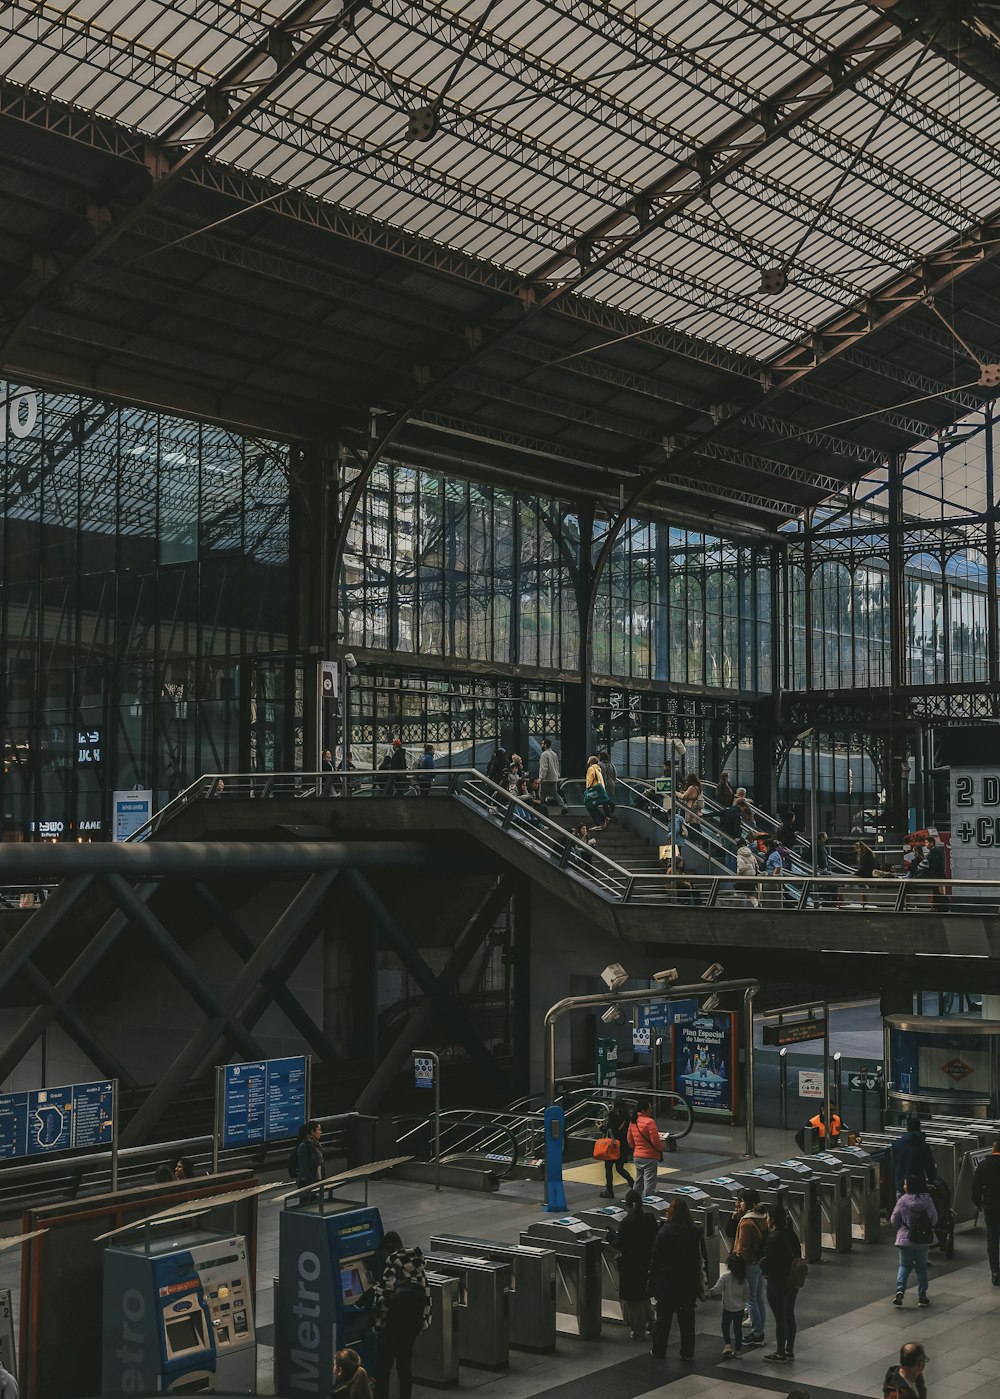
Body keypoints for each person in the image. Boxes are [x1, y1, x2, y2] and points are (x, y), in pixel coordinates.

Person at [372, 1231, 432, 1399]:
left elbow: (384, 1302)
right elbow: (426, 1296)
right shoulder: (419, 1267)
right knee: (404, 1368)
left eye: (384, 1252)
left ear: (389, 1248)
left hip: (391, 1328)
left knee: (383, 1369)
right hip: (411, 1327)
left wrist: (378, 1327)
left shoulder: (393, 1267)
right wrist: (421, 1324)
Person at [647, 1196, 702, 1361]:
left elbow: (656, 1257)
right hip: (688, 1283)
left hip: (667, 1283)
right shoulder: (694, 1231)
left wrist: (653, 1279)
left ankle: (659, 1350)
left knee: (663, 1320)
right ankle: (687, 1352)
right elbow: (697, 1259)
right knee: (687, 1321)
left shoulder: (665, 1231)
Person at [761, 1203, 802, 1362]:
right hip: (792, 1280)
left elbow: (768, 1262)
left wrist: (762, 1264)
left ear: (771, 1220)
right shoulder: (792, 1235)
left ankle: (779, 1353)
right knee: (789, 1314)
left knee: (780, 1318)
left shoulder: (773, 1237)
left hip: (777, 1282)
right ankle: (789, 1350)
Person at [615, 1188, 657, 1339]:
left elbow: (621, 1244)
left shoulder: (626, 1222)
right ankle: (652, 1322)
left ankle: (638, 1330)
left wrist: (611, 1237)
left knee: (634, 1299)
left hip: (631, 1265)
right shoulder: (650, 1217)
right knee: (644, 1294)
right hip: (647, 1262)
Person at [891, 1174, 937, 1307]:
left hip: (905, 1239)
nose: (904, 1186)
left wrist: (902, 1226)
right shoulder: (928, 1200)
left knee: (904, 1266)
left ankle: (900, 1291)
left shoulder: (902, 1200)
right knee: (921, 1268)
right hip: (923, 1240)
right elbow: (934, 1218)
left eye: (906, 1184)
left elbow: (894, 1220)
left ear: (910, 1186)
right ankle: (922, 1297)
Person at [732, 1188, 769, 1347]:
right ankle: (760, 1330)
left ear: (749, 1203)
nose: (740, 1203)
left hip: (749, 1264)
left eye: (742, 1201)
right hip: (760, 1263)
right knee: (759, 1298)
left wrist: (737, 1265)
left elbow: (743, 1248)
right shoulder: (763, 1217)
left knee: (751, 1299)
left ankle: (757, 1333)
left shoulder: (747, 1222)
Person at [707, 1249, 748, 1358]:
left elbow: (716, 1290)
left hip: (727, 1309)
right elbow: (746, 1295)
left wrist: (707, 1292)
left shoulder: (725, 1278)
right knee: (738, 1329)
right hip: (739, 1309)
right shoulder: (743, 1281)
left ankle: (728, 1345)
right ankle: (738, 1350)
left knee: (725, 1326)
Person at [971, 1135, 1000, 1284]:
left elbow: (975, 1187)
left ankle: (995, 1272)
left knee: (992, 1238)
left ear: (993, 1149)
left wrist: (978, 1203)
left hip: (990, 1206)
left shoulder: (983, 1165)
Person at [627, 1097, 663, 1197]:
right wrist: (661, 1148)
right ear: (643, 1110)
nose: (651, 1110)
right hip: (650, 1157)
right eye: (650, 1109)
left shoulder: (633, 1121)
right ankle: (648, 1203)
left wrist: (638, 1148)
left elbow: (630, 1140)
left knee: (638, 1182)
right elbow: (655, 1141)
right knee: (649, 1183)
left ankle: (634, 1201)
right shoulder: (649, 1122)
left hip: (637, 1156)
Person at [892, 1117, 937, 1196]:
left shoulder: (896, 1144)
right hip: (918, 1186)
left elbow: (894, 1165)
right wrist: (932, 1180)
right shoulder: (923, 1146)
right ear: (919, 1128)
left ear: (907, 1128)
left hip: (901, 1186)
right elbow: (930, 1167)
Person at [600, 1097, 634, 1198]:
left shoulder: (613, 1116)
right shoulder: (627, 1117)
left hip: (613, 1146)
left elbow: (610, 1131)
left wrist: (601, 1127)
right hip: (623, 1146)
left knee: (608, 1168)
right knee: (619, 1168)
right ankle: (632, 1182)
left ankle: (609, 1190)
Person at [538, 738, 568, 812]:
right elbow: (557, 765)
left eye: (542, 744)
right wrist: (557, 775)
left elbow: (544, 767)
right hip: (554, 777)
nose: (541, 745)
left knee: (542, 794)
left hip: (546, 778)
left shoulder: (544, 754)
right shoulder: (554, 754)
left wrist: (541, 777)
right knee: (554, 793)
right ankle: (563, 805)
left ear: (545, 745)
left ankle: (542, 809)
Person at [584, 754, 612, 829]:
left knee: (589, 806)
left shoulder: (591, 768)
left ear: (590, 761)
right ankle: (603, 819)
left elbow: (590, 779)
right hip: (600, 789)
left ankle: (598, 823)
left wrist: (588, 788)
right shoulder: (598, 768)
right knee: (594, 807)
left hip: (593, 790)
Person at [296, 1120, 324, 1186]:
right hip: (308, 1182)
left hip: (317, 1178)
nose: (321, 1132)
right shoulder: (304, 1146)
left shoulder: (316, 1144)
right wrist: (310, 1181)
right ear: (312, 1132)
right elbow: (303, 1167)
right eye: (319, 1130)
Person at [674, 773, 704, 837]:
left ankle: (697, 837)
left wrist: (676, 793)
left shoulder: (691, 788)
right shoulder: (698, 787)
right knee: (696, 822)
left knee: (692, 823)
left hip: (691, 806)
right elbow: (691, 794)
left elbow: (683, 797)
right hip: (697, 807)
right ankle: (699, 836)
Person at [735, 838, 759, 906]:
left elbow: (741, 868)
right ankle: (756, 904)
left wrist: (739, 871)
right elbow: (756, 865)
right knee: (749, 893)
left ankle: (738, 906)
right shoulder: (751, 855)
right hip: (751, 877)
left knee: (737, 891)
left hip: (743, 877)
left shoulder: (740, 856)